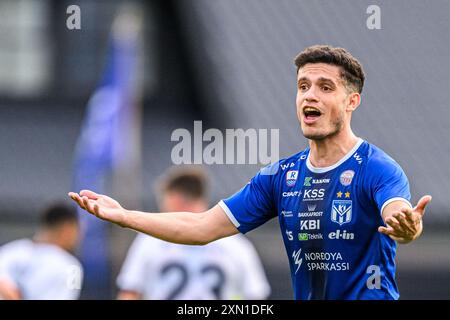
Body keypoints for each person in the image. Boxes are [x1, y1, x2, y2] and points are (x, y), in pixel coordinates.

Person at [69, 45, 432, 300]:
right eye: (303, 86)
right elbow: (201, 228)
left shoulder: (377, 168)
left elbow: (398, 213)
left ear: (352, 101)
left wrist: (408, 227)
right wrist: (124, 216)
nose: (310, 96)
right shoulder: (280, 176)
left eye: (325, 88)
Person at [116, 166, 271, 300]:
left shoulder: (149, 241)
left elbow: (130, 292)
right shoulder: (236, 244)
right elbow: (256, 296)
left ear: (176, 200)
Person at [0, 204, 83, 300]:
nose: (79, 237)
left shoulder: (10, 250)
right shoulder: (73, 268)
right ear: (67, 228)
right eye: (78, 230)